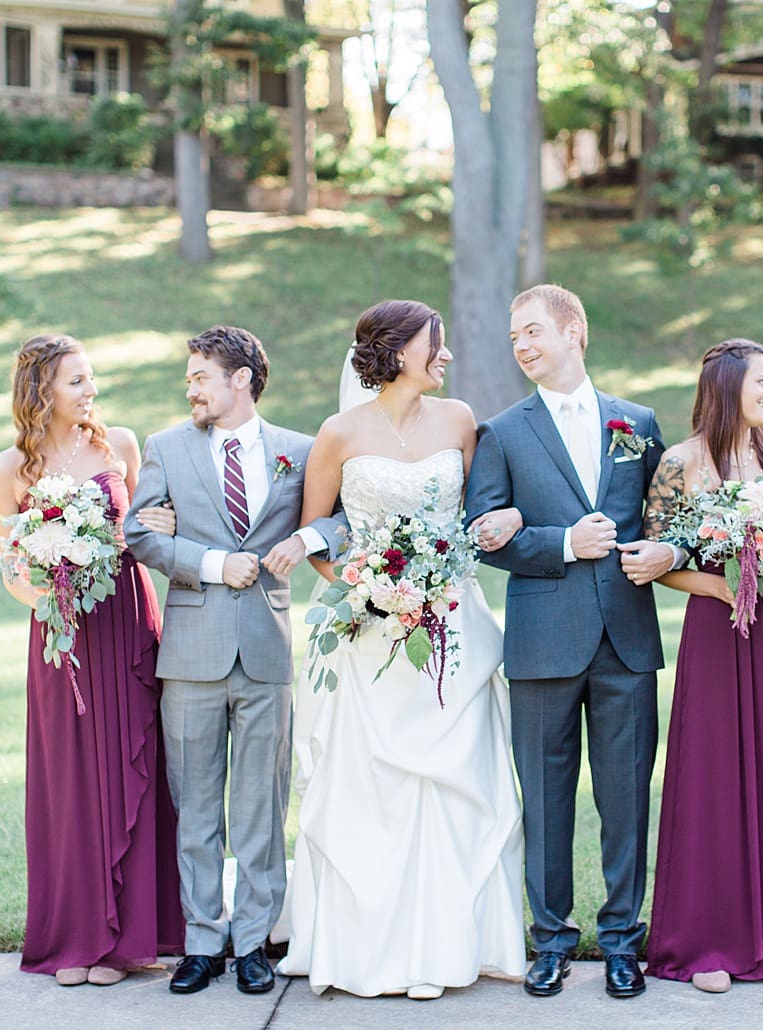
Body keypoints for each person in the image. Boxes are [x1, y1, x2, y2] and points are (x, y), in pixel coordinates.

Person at [276, 300, 527, 1000]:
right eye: (433, 343)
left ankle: (460, 946)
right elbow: (320, 532)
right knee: (372, 790)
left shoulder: (458, 420)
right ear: (396, 350)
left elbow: (481, 510)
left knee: (458, 782)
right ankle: (367, 952)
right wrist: (368, 594)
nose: (444, 355)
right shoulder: (337, 433)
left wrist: (500, 520)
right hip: (368, 635)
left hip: (452, 629)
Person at [464, 283, 682, 1000]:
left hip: (624, 641)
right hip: (541, 642)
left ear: (573, 333)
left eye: (531, 331)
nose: (521, 345)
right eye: (513, 336)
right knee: (547, 801)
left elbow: (663, 516)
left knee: (624, 799)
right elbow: (484, 537)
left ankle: (622, 940)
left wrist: (667, 551)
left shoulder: (636, 422)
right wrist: (562, 542)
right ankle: (550, 940)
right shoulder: (502, 431)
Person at [123, 326, 345, 997]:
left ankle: (253, 941)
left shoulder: (300, 453)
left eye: (199, 376)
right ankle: (201, 941)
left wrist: (306, 535)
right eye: (189, 378)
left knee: (260, 803)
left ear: (241, 378)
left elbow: (344, 520)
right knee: (195, 807)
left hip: (267, 654)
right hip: (190, 655)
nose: (189, 388)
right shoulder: (164, 449)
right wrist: (217, 564)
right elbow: (137, 532)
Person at [0, 333, 184, 987]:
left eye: (91, 378)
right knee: (68, 782)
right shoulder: (7, 469)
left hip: (125, 622)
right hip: (60, 636)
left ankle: (130, 940)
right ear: (41, 389)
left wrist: (156, 531)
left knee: (134, 765)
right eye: (77, 380)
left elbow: (145, 534)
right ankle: (74, 940)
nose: (90, 390)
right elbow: (10, 566)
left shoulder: (118, 445)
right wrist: (42, 592)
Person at [640, 339, 763, 994]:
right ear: (728, 387)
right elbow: (660, 560)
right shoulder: (679, 463)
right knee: (712, 782)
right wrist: (718, 586)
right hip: (716, 635)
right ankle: (707, 944)